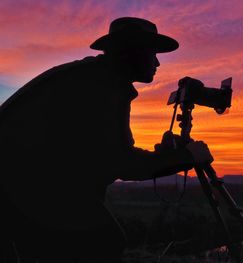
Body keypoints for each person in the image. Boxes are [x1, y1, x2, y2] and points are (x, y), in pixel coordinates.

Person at [0, 17, 213, 262]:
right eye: (152, 53)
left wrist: (166, 157)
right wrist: (187, 157)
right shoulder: (103, 86)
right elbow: (122, 163)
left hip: (25, 187)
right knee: (104, 240)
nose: (157, 62)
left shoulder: (92, 77)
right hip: (21, 192)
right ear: (132, 52)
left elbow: (101, 156)